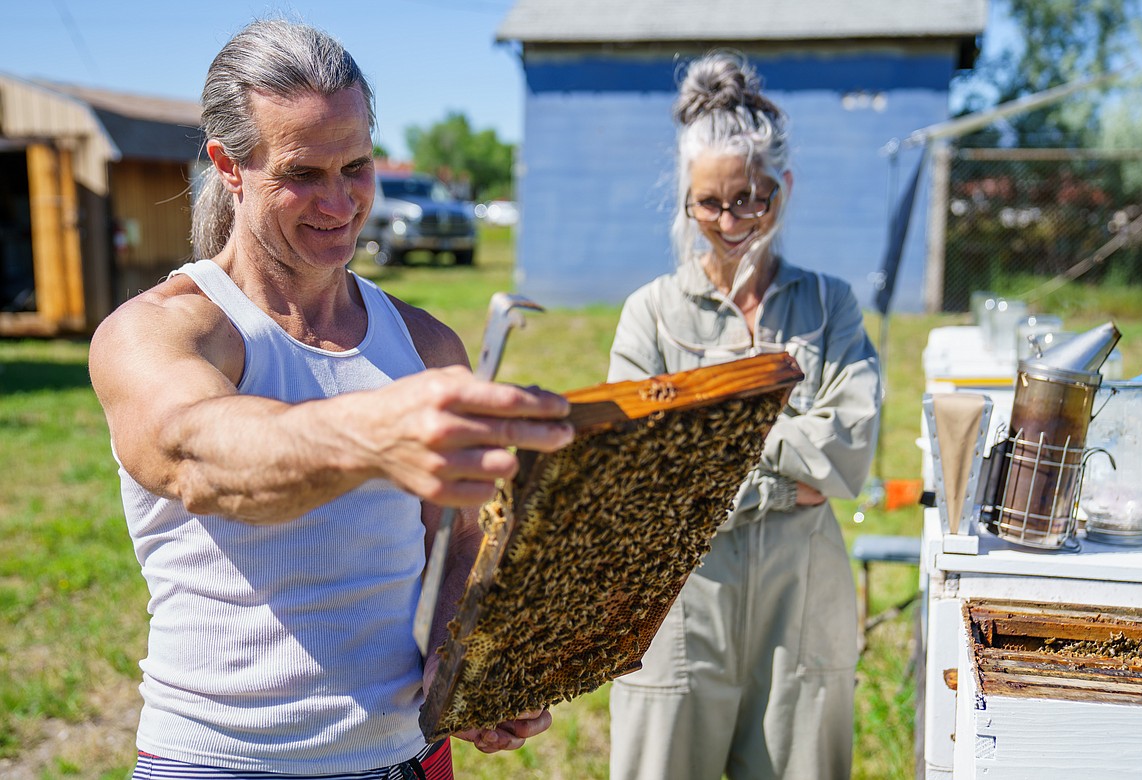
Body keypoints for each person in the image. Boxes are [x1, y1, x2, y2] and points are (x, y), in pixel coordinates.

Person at [88, 18, 574, 779]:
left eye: (355, 166)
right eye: (303, 174)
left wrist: (473, 660)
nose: (340, 200)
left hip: (408, 756)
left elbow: (453, 547)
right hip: (224, 761)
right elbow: (198, 456)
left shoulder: (424, 342)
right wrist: (376, 434)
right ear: (229, 166)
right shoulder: (160, 331)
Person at [606, 52, 882, 780]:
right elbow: (643, 475)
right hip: (679, 597)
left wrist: (711, 432)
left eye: (751, 199)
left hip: (803, 601)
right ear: (686, 201)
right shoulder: (651, 315)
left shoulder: (829, 306)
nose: (729, 222)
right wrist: (787, 480)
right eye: (710, 203)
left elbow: (850, 448)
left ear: (783, 190)